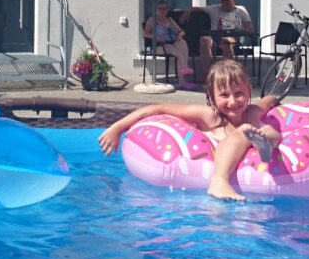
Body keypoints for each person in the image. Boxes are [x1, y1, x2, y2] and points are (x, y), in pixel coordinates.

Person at [98, 58, 281, 202]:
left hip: (255, 137)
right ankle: (219, 180)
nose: (232, 102)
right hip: (227, 146)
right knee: (244, 131)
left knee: (271, 131)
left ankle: (264, 144)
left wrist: (274, 99)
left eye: (239, 94)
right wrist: (117, 128)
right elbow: (159, 108)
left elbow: (267, 101)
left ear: (249, 91)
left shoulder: (252, 111)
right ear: (211, 96)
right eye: (224, 95)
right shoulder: (210, 116)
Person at [199, 0, 254, 69]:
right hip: (215, 39)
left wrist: (238, 32)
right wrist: (186, 14)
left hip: (232, 39)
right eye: (222, 0)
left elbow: (249, 28)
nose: (224, 3)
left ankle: (228, 72)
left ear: (233, 1)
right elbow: (197, 8)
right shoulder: (214, 9)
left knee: (226, 42)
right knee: (204, 40)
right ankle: (208, 73)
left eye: (227, 0)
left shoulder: (240, 10)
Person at [142, 1, 191, 80]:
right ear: (156, 10)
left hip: (174, 42)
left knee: (182, 42)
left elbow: (181, 31)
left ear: (167, 10)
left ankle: (182, 80)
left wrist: (179, 35)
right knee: (175, 50)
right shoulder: (152, 20)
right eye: (160, 8)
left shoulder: (170, 19)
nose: (162, 11)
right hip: (159, 46)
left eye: (164, 9)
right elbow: (145, 34)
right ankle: (184, 68)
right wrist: (155, 36)